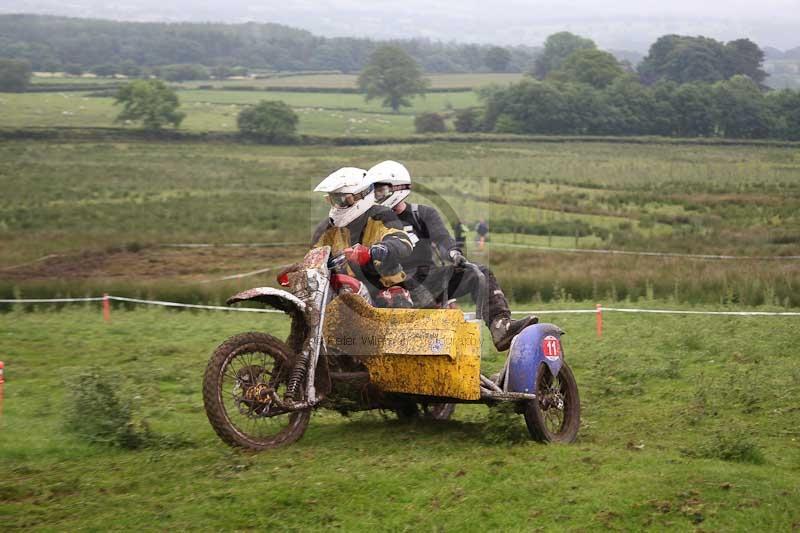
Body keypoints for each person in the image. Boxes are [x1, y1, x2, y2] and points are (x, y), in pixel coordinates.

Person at [365, 160, 537, 351]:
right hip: (389, 284)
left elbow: (442, 238)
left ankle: (501, 327)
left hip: (427, 278)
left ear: (397, 187)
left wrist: (454, 253)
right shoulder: (370, 221)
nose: (376, 195)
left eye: (381, 190)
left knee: (479, 272)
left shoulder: (422, 214)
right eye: (374, 191)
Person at [312, 167, 413, 291]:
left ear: (362, 195)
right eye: (333, 200)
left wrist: (376, 251)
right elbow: (314, 260)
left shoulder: (381, 215)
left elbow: (402, 241)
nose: (338, 205)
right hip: (345, 288)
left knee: (398, 295)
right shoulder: (326, 228)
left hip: (385, 286)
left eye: (343, 200)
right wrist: (301, 269)